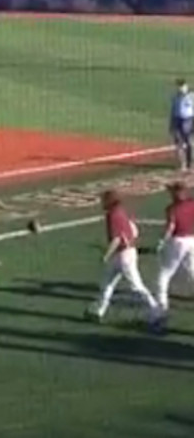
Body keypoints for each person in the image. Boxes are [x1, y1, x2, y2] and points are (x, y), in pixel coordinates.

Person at [86, 189, 161, 327]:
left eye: (104, 199)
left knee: (136, 286)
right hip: (124, 253)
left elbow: (116, 239)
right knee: (107, 284)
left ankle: (155, 310)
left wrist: (106, 255)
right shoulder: (121, 212)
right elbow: (133, 231)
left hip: (123, 255)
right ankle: (98, 311)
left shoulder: (112, 215)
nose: (101, 202)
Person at [155, 181, 194, 319]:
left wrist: (161, 242)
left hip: (178, 241)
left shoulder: (172, 208)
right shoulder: (191, 204)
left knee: (164, 274)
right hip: (191, 240)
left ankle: (162, 306)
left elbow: (170, 227)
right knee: (191, 270)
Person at [170, 79, 193, 171]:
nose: (180, 88)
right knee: (178, 143)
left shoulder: (191, 97)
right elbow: (173, 110)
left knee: (189, 142)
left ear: (186, 87)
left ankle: (190, 163)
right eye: (179, 86)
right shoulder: (175, 97)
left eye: (182, 86)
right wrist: (171, 123)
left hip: (188, 120)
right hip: (177, 120)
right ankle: (182, 164)